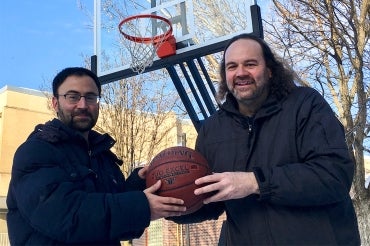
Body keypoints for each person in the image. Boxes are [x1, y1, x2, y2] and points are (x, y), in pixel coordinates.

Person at [168, 33, 361, 245]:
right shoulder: (212, 129)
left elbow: (333, 175)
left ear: (270, 71)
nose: (240, 73)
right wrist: (169, 203)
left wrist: (255, 182)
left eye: (250, 64)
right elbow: (210, 199)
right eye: (232, 67)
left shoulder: (306, 104)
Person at [6, 67, 186, 245]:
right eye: (73, 97)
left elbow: (122, 227)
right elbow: (66, 216)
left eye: (91, 97)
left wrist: (138, 184)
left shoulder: (104, 158)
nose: (83, 105)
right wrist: (141, 206)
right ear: (55, 103)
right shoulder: (36, 151)